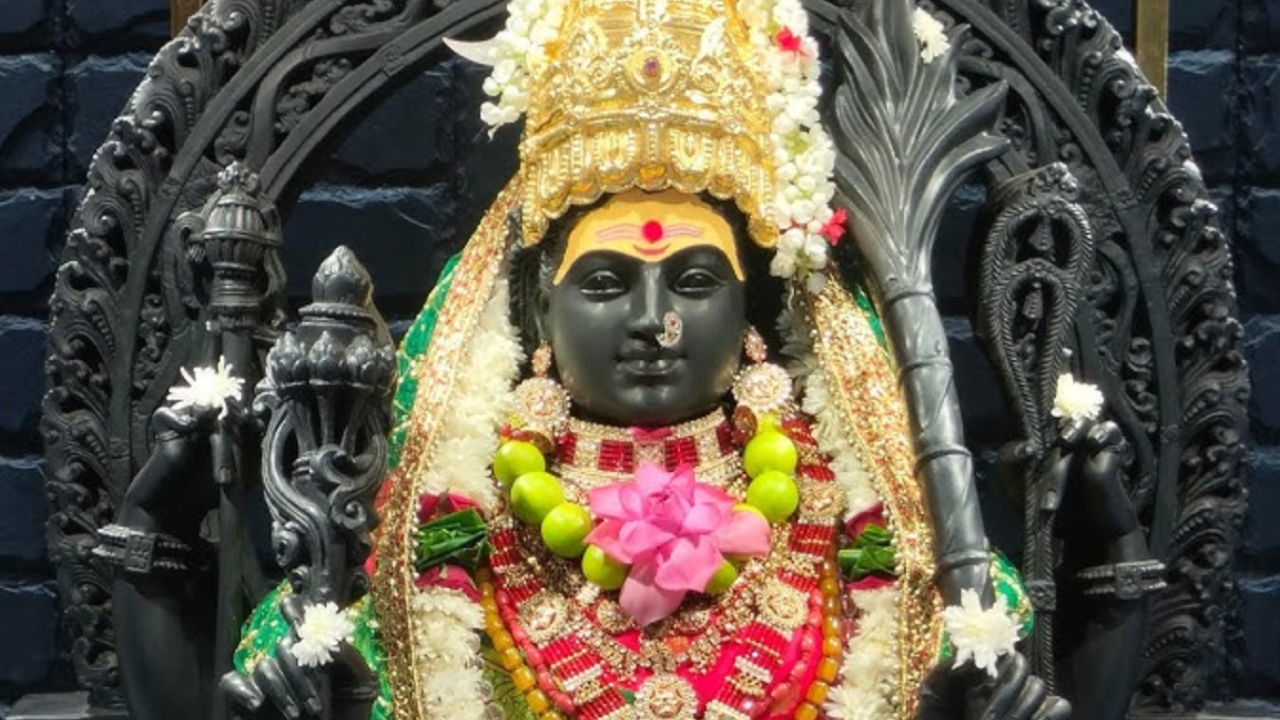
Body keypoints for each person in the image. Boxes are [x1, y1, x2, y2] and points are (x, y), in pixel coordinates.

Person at [116, 0, 1156, 717]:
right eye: (608, 283)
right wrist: (156, 529)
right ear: (539, 304)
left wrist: (1108, 551)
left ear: (752, 307)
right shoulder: (433, 529)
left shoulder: (855, 513)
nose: (655, 320)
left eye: (694, 282)